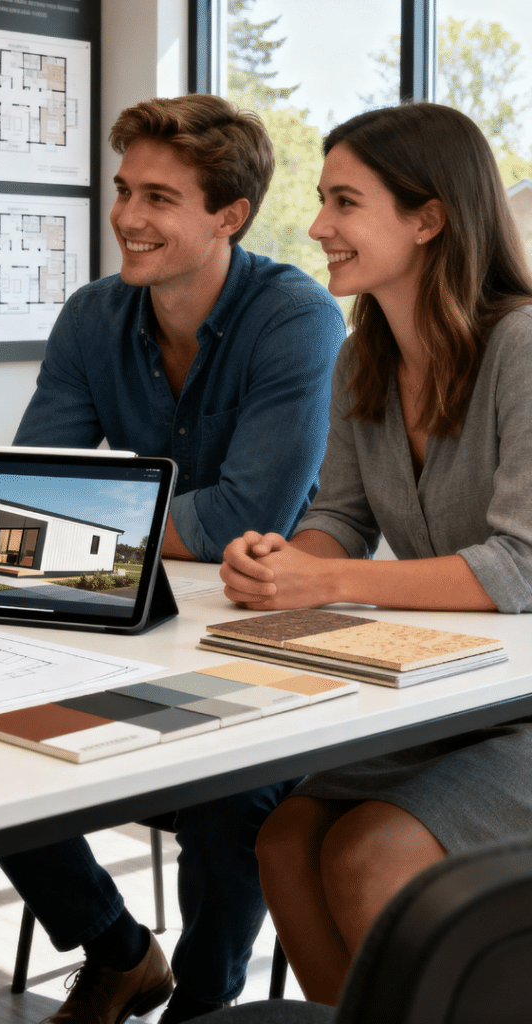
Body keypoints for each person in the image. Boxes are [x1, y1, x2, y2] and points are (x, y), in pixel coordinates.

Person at [0, 94, 346, 1024]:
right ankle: (117, 948)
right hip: (127, 610)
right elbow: (40, 491)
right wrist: (80, 529)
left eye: (159, 197)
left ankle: (204, 1007)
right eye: (123, 190)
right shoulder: (92, 316)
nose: (127, 218)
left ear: (228, 216)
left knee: (230, 797)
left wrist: (83, 530)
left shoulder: (296, 317)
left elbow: (249, 513)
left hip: (259, 618)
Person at [220, 102, 532, 1007]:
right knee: (282, 840)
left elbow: (520, 565)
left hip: (522, 704)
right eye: (322, 201)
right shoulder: (364, 354)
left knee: (369, 853)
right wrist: (282, 561)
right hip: (458, 692)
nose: (317, 227)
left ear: (429, 218)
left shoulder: (522, 345)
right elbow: (342, 519)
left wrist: (326, 577)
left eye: (344, 203)